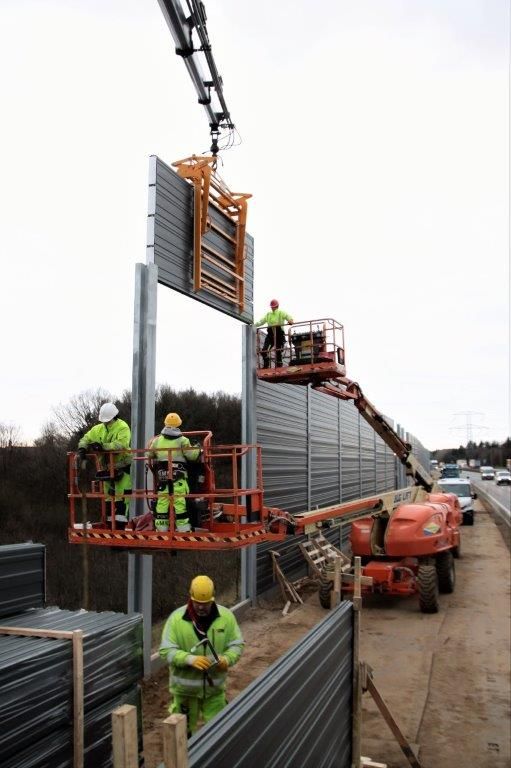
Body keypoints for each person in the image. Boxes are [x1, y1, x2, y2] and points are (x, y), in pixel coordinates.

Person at [159, 575, 244, 736]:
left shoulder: (226, 618)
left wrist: (228, 659)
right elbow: (166, 650)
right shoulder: (176, 619)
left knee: (219, 734)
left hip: (214, 692)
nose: (201, 607)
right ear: (190, 597)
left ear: (213, 598)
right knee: (181, 736)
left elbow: (237, 644)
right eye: (197, 603)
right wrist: (188, 659)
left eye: (205, 604)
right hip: (185, 693)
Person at [77, 402, 132, 524]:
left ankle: (120, 524)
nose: (106, 422)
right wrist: (82, 448)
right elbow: (86, 438)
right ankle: (110, 523)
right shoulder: (98, 429)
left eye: (108, 420)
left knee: (121, 495)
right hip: (107, 467)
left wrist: (102, 447)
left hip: (122, 465)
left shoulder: (122, 427)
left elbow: (121, 444)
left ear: (114, 417)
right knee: (108, 496)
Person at [148, 413, 201, 533]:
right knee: (180, 501)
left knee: (162, 501)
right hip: (179, 478)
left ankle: (161, 529)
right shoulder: (183, 440)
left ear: (165, 424)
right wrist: (198, 449)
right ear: (178, 425)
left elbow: (149, 454)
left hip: (162, 478)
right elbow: (192, 456)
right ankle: (184, 530)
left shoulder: (156, 441)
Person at [254, 299, 294, 368]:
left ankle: (279, 365)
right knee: (264, 351)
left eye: (274, 306)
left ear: (277, 306)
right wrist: (254, 325)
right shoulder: (268, 314)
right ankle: (266, 364)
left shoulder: (281, 312)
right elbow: (261, 321)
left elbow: (288, 317)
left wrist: (290, 320)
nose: (272, 308)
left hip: (279, 334)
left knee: (278, 351)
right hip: (270, 334)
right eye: (272, 307)